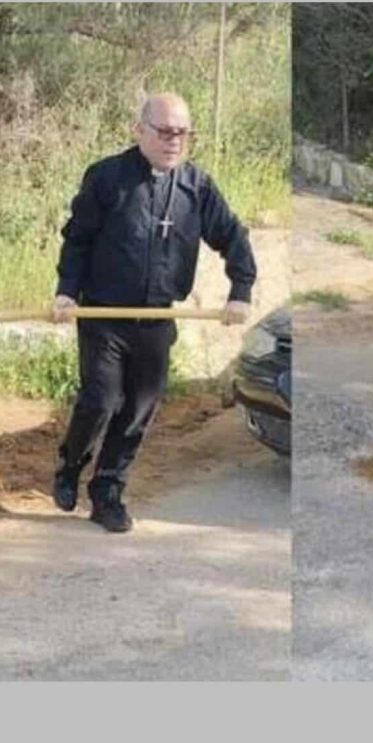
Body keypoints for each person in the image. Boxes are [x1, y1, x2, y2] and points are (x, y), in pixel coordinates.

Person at [51, 92, 257, 532]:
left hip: (157, 318)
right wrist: (67, 292)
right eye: (164, 131)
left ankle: (107, 492)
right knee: (101, 400)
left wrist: (241, 289)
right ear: (139, 129)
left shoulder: (197, 187)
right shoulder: (107, 178)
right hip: (103, 315)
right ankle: (70, 464)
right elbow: (78, 239)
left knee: (139, 409)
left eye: (182, 133)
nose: (173, 141)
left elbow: (232, 235)